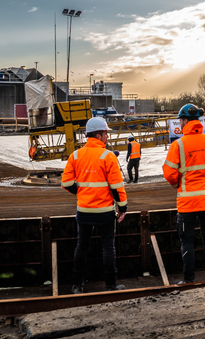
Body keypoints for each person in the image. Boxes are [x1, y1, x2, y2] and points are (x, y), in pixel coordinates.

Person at [61, 117, 127, 294]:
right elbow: (116, 186)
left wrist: (81, 192)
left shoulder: (76, 155)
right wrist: (123, 207)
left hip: (84, 211)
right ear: (98, 135)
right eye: (106, 133)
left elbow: (66, 182)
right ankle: (111, 285)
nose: (107, 137)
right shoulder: (108, 156)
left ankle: (77, 285)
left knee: (81, 246)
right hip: (105, 211)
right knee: (108, 247)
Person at [162, 104, 205, 284]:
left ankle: (189, 279)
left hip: (186, 203)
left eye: (180, 121)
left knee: (187, 241)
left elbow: (169, 174)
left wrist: (178, 184)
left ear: (184, 121)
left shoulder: (178, 145)